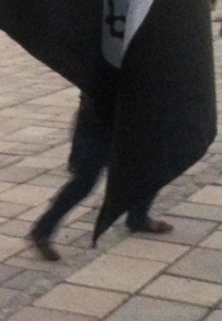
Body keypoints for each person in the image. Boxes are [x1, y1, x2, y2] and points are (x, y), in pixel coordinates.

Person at [28, 91, 171, 261]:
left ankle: (138, 218)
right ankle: (42, 230)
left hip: (121, 123)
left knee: (148, 169)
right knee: (84, 182)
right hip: (99, 125)